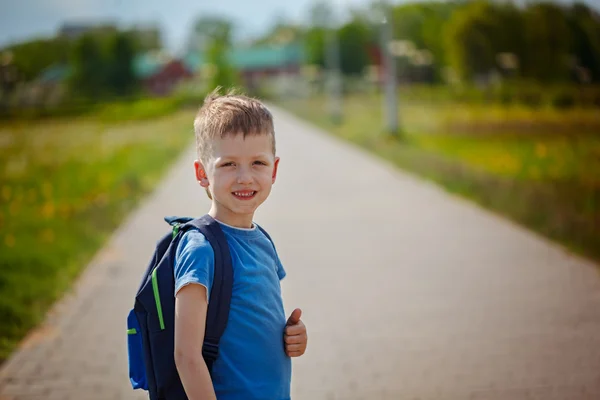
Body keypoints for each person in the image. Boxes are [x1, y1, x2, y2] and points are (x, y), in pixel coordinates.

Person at [173, 87, 308, 400]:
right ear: (202, 173)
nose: (245, 177)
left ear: (274, 170)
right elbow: (186, 356)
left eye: (258, 163)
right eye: (228, 164)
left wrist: (292, 337)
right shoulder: (200, 249)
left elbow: (257, 323)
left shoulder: (262, 239)